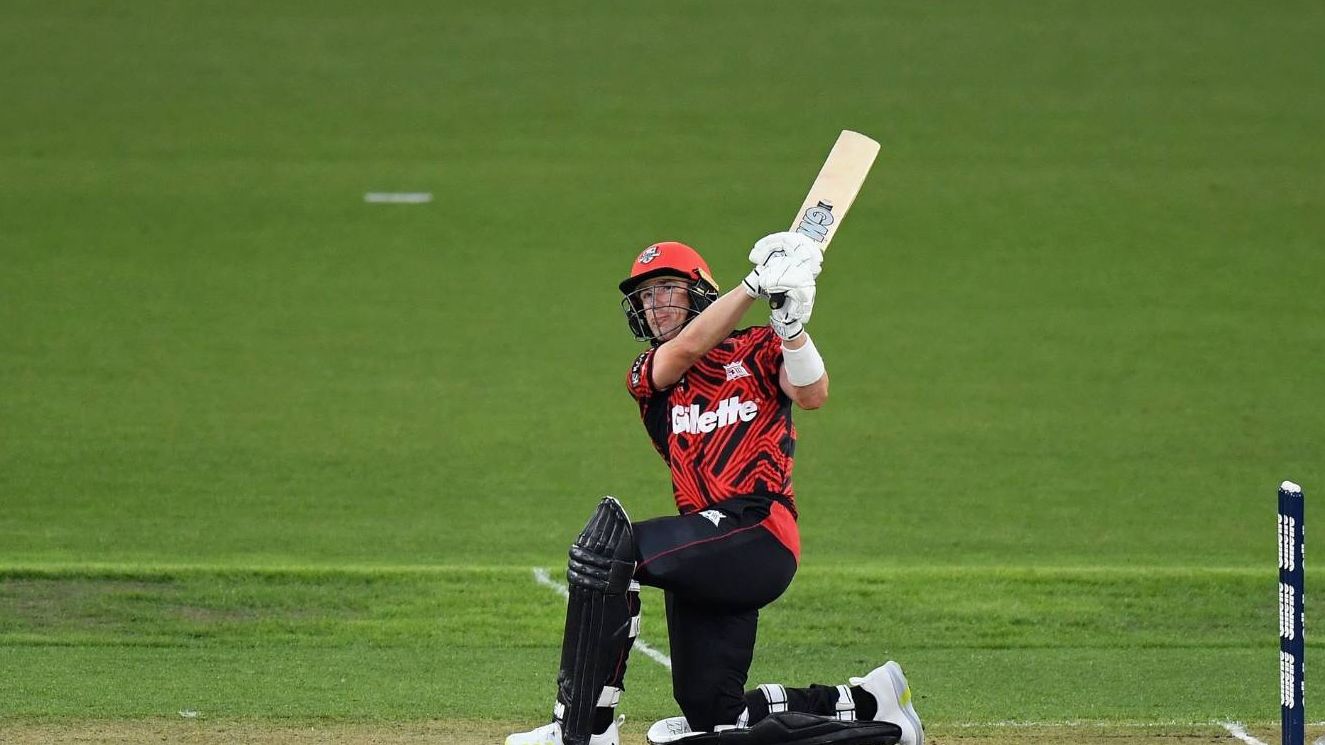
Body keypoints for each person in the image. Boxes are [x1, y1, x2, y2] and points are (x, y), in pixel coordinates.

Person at [507, 234, 923, 745]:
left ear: (700, 292)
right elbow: (686, 348)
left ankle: (583, 731)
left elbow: (812, 394)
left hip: (759, 531)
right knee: (713, 720)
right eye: (645, 296)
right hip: (709, 549)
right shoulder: (650, 373)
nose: (654, 305)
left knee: (612, 549)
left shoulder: (757, 348)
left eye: (666, 289)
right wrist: (754, 285)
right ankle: (871, 709)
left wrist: (790, 327)